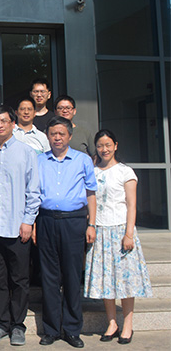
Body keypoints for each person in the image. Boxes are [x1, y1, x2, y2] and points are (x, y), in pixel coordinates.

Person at [0, 105, 41, 347]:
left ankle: (18, 326)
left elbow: (33, 191)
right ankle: (2, 324)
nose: (0, 125)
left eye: (4, 121)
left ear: (13, 124)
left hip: (18, 228)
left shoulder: (27, 152)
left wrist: (28, 221)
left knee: (20, 280)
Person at [84, 129, 152, 345]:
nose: (104, 149)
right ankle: (112, 323)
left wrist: (128, 234)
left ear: (115, 145)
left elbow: (132, 205)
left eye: (108, 145)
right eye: (100, 145)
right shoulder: (93, 172)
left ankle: (127, 325)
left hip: (121, 230)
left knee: (126, 281)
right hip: (100, 230)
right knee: (106, 280)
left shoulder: (125, 171)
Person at [36, 116, 97, 348]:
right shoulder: (39, 160)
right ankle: (51, 329)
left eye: (62, 134)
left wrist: (91, 224)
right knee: (49, 277)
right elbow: (33, 194)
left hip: (74, 222)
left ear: (70, 136)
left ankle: (72, 329)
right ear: (48, 136)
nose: (57, 138)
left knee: (72, 276)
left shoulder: (83, 160)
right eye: (53, 134)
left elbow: (91, 193)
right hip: (46, 220)